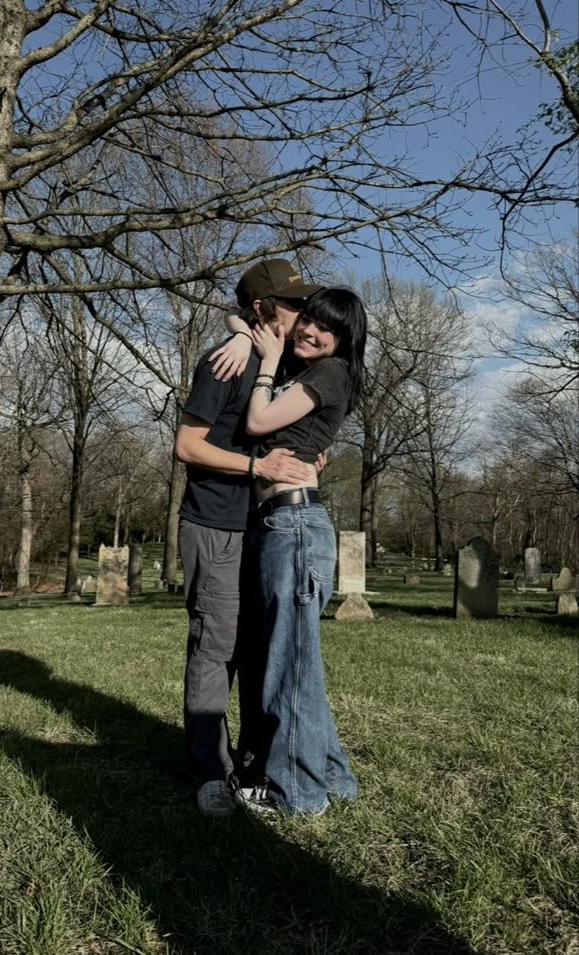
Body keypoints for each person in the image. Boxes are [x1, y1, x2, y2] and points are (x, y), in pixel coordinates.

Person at [174, 259, 321, 816]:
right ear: (261, 309)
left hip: (269, 529)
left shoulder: (279, 365)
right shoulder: (223, 363)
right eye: (291, 304)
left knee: (263, 651)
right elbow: (188, 447)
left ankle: (257, 767)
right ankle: (211, 772)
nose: (302, 313)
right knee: (217, 647)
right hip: (215, 525)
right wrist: (259, 467)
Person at [235, 287, 367, 816]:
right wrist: (245, 329)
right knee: (299, 661)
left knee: (287, 663)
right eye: (308, 319)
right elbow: (247, 315)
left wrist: (266, 365)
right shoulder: (309, 367)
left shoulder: (331, 372)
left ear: (343, 339)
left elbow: (258, 423)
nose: (310, 331)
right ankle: (331, 776)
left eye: (325, 328)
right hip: (285, 524)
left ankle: (298, 793)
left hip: (293, 525)